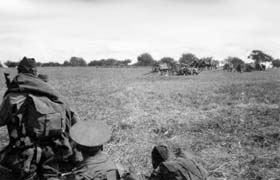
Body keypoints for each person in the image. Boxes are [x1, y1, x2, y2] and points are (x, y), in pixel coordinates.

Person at [0, 57, 79, 180]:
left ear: (19, 72)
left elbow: (1, 119)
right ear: (35, 73)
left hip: (24, 156)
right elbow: (75, 122)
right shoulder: (55, 96)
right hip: (54, 153)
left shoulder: (14, 96)